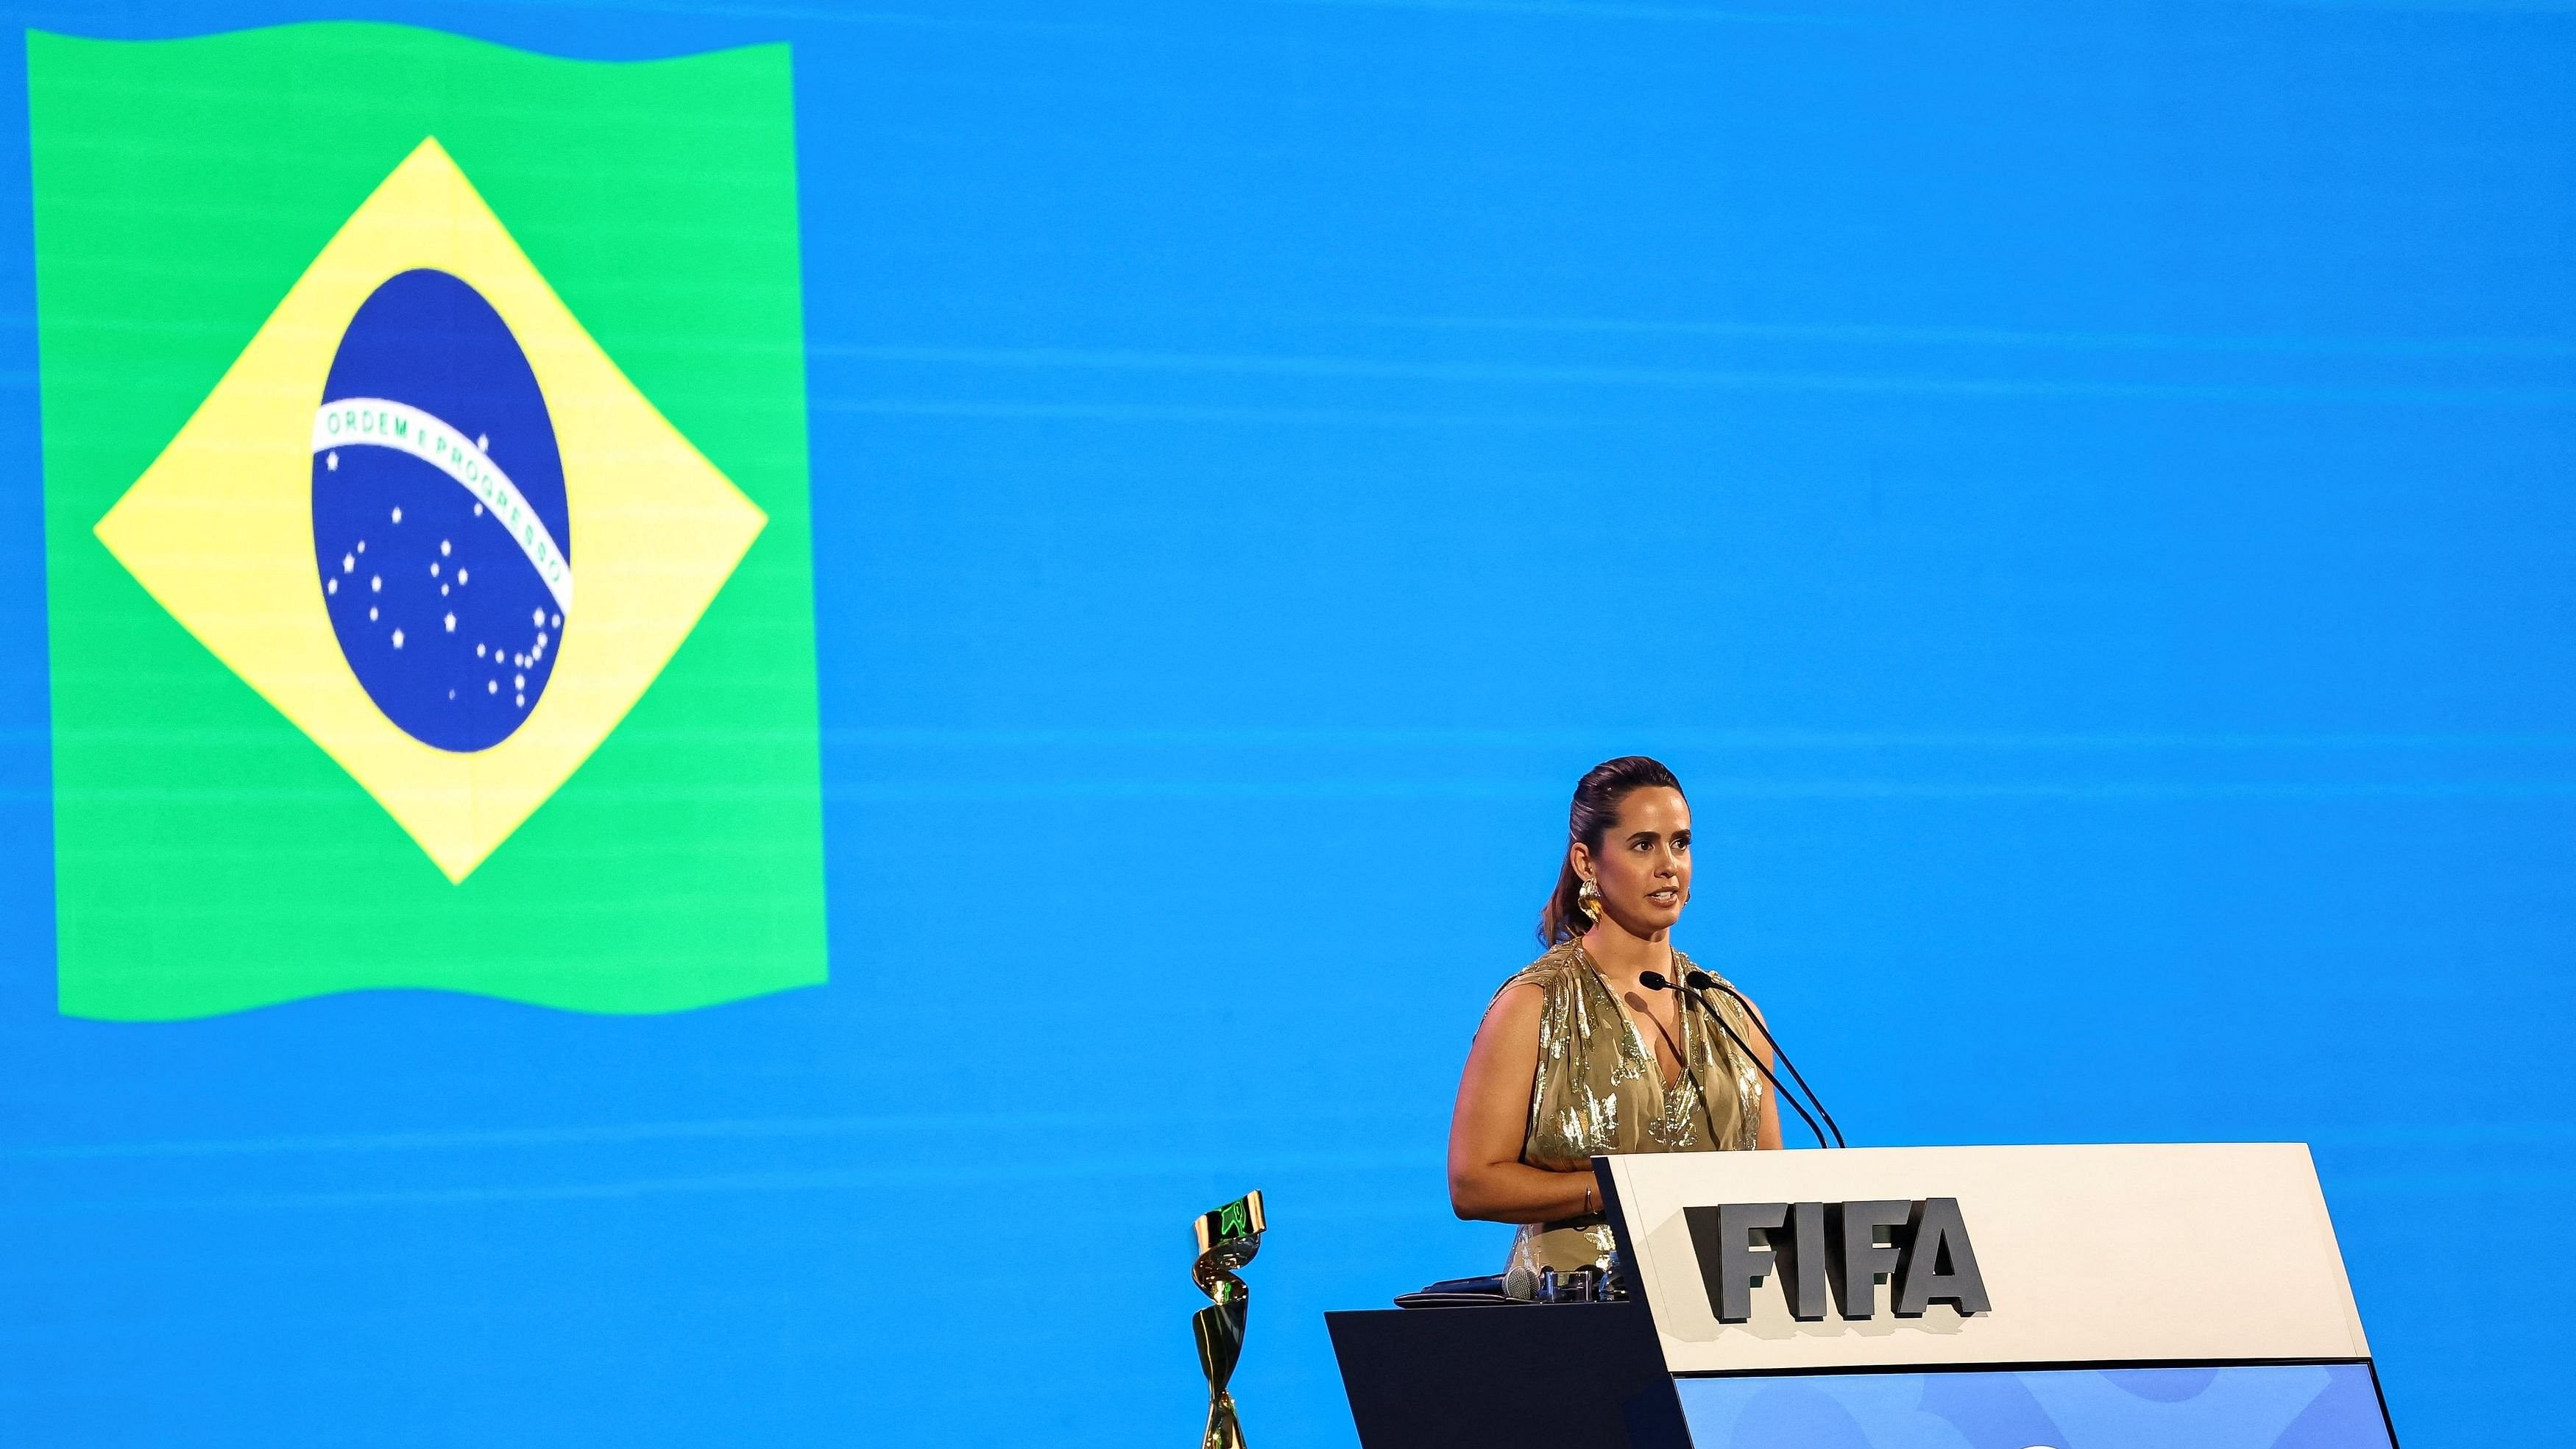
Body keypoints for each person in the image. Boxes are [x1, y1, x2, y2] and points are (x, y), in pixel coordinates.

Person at [1446, 756, 1782, 1290]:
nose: (1669, 864)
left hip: (1724, 1316)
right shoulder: (1533, 1005)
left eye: (1681, 842)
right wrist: (1617, 1188)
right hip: (1575, 1319)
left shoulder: (1735, 1015)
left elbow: (1774, 1190)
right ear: (1586, 861)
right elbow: (1473, 1182)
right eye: (1643, 844)